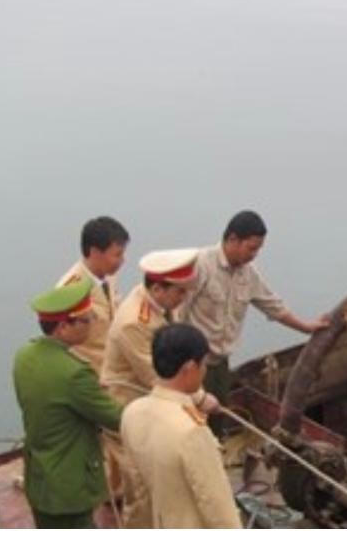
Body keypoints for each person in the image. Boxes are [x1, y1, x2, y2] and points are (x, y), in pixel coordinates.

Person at [100, 248, 218, 528]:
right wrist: (201, 398)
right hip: (129, 405)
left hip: (151, 399)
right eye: (179, 292)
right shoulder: (134, 322)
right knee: (140, 487)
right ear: (157, 288)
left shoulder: (159, 303)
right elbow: (157, 375)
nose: (184, 298)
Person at [179, 210, 329, 427]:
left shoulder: (248, 273)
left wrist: (306, 327)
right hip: (192, 364)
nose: (254, 255)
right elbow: (177, 312)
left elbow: (273, 305)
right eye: (251, 248)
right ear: (233, 239)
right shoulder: (201, 265)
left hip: (220, 363)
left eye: (258, 249)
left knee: (217, 421)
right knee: (192, 422)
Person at [11, 279, 123, 529]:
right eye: (87, 319)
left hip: (40, 478)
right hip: (70, 485)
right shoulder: (75, 373)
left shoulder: (24, 355)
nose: (93, 323)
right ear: (63, 327)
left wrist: (89, 391)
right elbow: (115, 418)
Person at [120, 323, 243, 528]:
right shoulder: (191, 431)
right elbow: (217, 507)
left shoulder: (132, 413)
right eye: (203, 365)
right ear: (190, 368)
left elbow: (136, 489)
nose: (204, 371)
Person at [56, 216, 129, 375]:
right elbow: (62, 343)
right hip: (87, 375)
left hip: (114, 372)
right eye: (117, 255)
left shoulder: (109, 277)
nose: (123, 260)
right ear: (95, 253)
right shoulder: (70, 290)